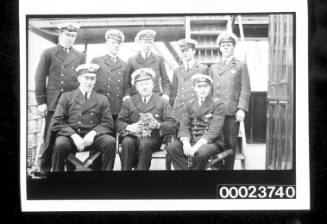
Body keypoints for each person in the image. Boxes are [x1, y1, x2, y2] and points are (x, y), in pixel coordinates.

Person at [34, 22, 86, 171]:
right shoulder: (48, 52)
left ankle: (70, 170)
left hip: (72, 104)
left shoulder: (79, 55)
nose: (70, 38)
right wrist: (41, 102)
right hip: (53, 102)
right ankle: (44, 171)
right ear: (60, 34)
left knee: (70, 137)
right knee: (49, 139)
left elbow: (80, 80)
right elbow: (40, 77)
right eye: (67, 35)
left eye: (73, 35)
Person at [51, 64, 116, 172]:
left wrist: (93, 133)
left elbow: (108, 123)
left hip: (92, 139)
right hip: (71, 137)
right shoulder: (66, 97)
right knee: (60, 144)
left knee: (110, 142)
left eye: (93, 78)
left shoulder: (102, 99)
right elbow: (56, 122)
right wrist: (74, 135)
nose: (90, 82)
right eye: (86, 78)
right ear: (79, 79)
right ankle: (57, 179)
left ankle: (106, 179)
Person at [116, 68, 177, 170]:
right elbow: (119, 122)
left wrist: (158, 125)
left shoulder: (162, 102)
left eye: (147, 84)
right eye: (141, 84)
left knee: (145, 143)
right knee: (126, 142)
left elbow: (173, 124)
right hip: (133, 136)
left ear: (153, 85)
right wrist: (129, 127)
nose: (144, 87)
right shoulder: (129, 101)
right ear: (136, 87)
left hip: (152, 138)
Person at [208, 31, 251, 170]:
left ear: (233, 47)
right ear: (220, 48)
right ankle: (217, 170)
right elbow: (210, 91)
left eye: (229, 45)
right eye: (223, 45)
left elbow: (245, 89)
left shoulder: (240, 65)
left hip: (232, 112)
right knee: (216, 143)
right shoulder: (213, 68)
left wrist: (242, 109)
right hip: (216, 112)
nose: (226, 48)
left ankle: (228, 173)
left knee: (230, 144)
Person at [166, 74, 225, 170]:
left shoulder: (218, 104)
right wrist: (186, 143)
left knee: (201, 153)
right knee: (172, 148)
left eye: (205, 86)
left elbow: (214, 130)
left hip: (210, 142)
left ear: (210, 88)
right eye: (199, 86)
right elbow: (184, 126)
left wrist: (196, 147)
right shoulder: (189, 104)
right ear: (194, 88)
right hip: (192, 139)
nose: (202, 89)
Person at [91, 29, 129, 122]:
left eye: (118, 43)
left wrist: (127, 96)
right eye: (113, 42)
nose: (116, 45)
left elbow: (127, 86)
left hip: (116, 108)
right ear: (107, 43)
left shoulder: (124, 65)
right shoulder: (96, 61)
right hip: (99, 107)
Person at [125, 29, 171, 100]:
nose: (147, 45)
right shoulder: (131, 61)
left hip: (156, 98)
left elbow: (166, 81)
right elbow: (127, 83)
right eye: (145, 42)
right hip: (137, 99)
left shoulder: (159, 59)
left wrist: (165, 95)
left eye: (150, 42)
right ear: (139, 42)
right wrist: (127, 95)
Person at [171, 38, 208, 120]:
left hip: (195, 109)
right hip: (179, 110)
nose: (185, 53)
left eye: (187, 50)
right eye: (182, 51)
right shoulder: (177, 70)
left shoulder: (202, 69)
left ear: (194, 51)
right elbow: (174, 91)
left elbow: (207, 92)